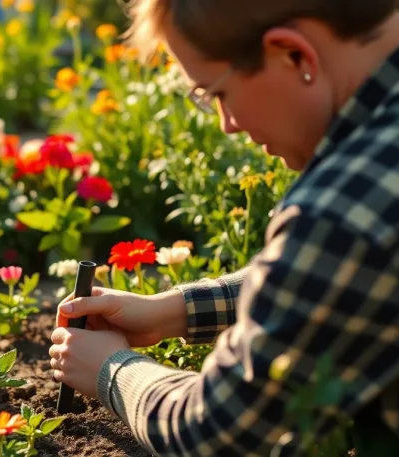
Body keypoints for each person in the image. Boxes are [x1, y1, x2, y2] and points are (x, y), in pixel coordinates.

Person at [48, 0, 399, 455]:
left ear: (293, 55)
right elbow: (349, 273)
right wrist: (173, 311)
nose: (227, 125)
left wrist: (111, 369)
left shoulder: (347, 202)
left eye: (217, 93)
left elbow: (218, 431)